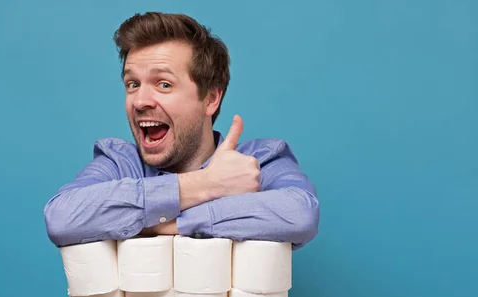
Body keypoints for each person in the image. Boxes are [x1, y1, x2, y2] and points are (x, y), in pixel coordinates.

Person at [44, 12, 320, 250]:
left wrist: (163, 226)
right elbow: (62, 217)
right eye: (132, 84)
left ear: (211, 98)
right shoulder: (118, 164)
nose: (140, 101)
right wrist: (207, 184)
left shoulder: (258, 162)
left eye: (164, 84)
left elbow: (299, 214)